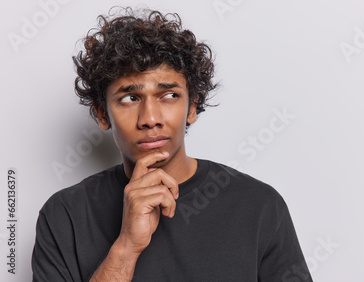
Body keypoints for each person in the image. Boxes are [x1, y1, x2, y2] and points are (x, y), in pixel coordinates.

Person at [32, 7, 312, 282]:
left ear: (192, 107)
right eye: (130, 98)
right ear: (102, 114)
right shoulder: (64, 216)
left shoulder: (259, 206)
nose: (150, 119)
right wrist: (127, 248)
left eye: (168, 95)